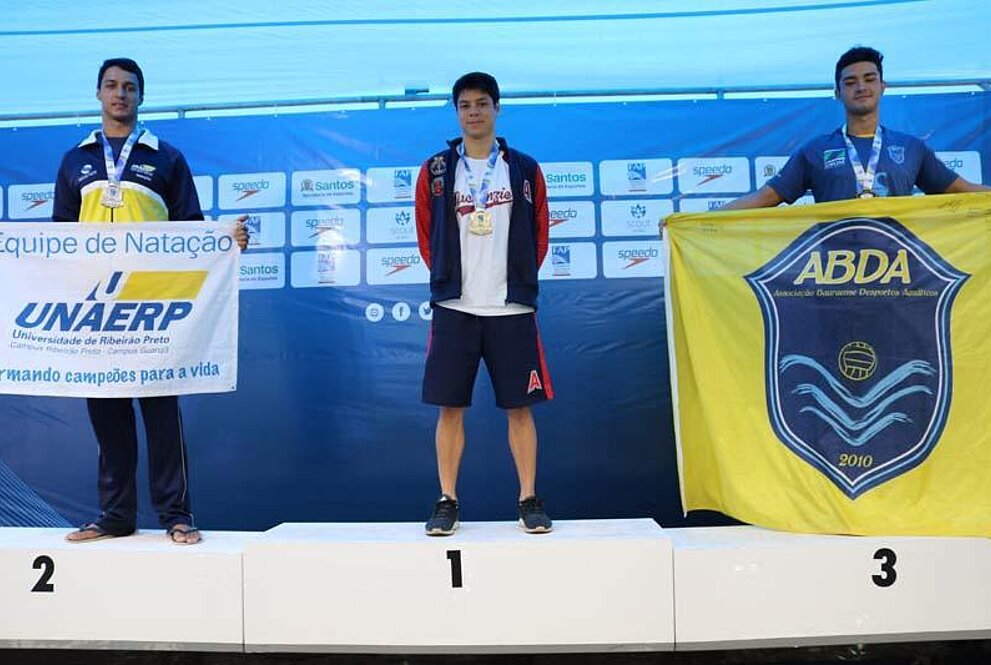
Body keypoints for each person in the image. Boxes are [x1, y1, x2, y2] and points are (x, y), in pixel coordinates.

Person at [52, 58, 249, 545]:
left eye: (130, 87)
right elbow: (54, 239)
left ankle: (176, 515)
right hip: (97, 314)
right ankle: (116, 515)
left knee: (162, 418)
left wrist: (227, 240)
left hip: (154, 312)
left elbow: (191, 230)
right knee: (108, 418)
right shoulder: (74, 160)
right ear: (98, 93)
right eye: (112, 86)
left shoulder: (167, 159)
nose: (120, 94)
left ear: (142, 96)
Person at [414, 72, 554, 536]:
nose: (473, 112)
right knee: (449, 407)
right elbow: (425, 235)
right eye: (464, 105)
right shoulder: (435, 170)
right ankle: (447, 499)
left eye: (481, 103)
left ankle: (528, 498)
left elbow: (539, 234)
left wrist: (516, 280)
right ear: (456, 112)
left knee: (520, 408)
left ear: (497, 108)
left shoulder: (525, 168)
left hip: (510, 308)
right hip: (456, 307)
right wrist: (449, 280)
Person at [722, 45, 988, 210]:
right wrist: (698, 219)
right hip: (835, 281)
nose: (861, 87)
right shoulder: (815, 151)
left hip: (900, 278)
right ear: (838, 92)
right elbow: (766, 197)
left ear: (882, 87)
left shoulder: (912, 148)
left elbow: (962, 190)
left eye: (869, 79)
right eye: (850, 82)